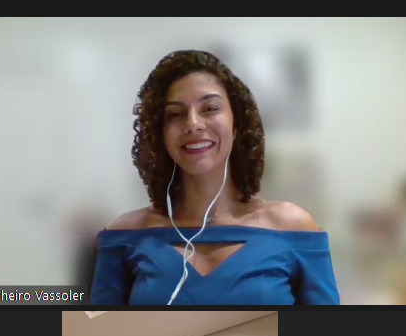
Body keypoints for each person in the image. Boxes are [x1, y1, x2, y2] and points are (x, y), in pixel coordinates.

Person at [89, 50, 339, 305]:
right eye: (175, 114)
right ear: (160, 134)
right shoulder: (126, 234)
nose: (193, 124)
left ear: (236, 123)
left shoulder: (293, 228)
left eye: (210, 108)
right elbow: (96, 329)